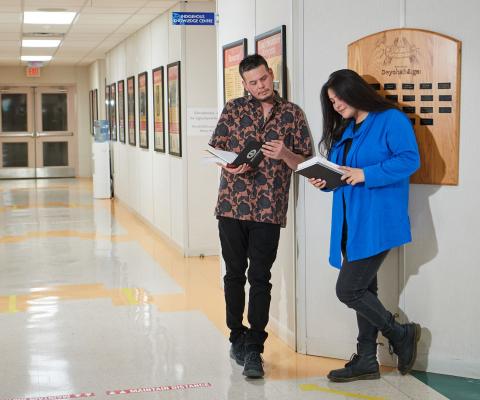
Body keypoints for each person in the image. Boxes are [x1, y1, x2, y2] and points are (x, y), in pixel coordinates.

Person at [309, 69, 421, 382]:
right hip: (350, 222)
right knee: (365, 288)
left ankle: (400, 333)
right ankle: (367, 360)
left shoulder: (391, 119)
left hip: (378, 221)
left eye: (338, 97)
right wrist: (326, 181)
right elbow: (341, 173)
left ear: (354, 91)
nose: (336, 105)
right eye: (331, 102)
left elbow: (409, 160)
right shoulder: (346, 129)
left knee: (349, 289)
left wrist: (366, 174)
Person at [209, 54, 312, 378]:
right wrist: (228, 164)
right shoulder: (234, 109)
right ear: (244, 84)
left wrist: (285, 154)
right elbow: (216, 149)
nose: (260, 86)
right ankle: (235, 335)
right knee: (234, 275)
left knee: (261, 279)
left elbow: (305, 164)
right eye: (252, 82)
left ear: (271, 75)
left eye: (263, 79)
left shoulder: (292, 114)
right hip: (231, 206)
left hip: (269, 210)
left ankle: (255, 346)